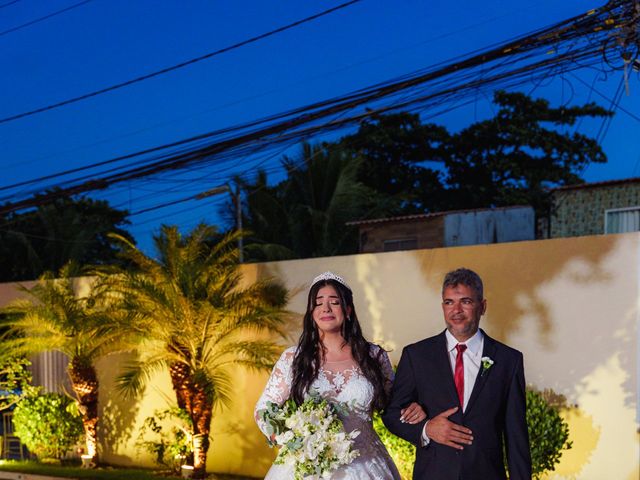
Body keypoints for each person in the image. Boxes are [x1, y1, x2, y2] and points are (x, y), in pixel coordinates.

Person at [255, 271, 425, 479]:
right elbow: (264, 409)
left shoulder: (373, 355)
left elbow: (394, 405)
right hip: (307, 465)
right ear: (311, 312)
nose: (325, 308)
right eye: (318, 303)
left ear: (348, 310)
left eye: (334, 302)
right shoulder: (293, 358)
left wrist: (413, 408)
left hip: (365, 462)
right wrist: (288, 437)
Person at [382, 267, 531, 480]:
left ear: (483, 306)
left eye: (466, 301)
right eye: (449, 302)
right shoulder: (417, 355)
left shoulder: (509, 360)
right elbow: (392, 414)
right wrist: (426, 429)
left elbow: (516, 436)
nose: (456, 310)